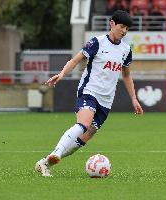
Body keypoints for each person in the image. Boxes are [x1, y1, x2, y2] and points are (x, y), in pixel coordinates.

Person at [35, 10, 144, 177]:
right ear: (112, 24)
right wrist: (62, 74)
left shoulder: (126, 49)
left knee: (82, 140)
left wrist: (134, 98)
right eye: (122, 26)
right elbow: (76, 60)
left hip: (106, 101)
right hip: (89, 91)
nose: (124, 31)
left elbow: (126, 75)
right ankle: (56, 152)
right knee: (83, 124)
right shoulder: (97, 42)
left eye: (127, 29)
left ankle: (45, 162)